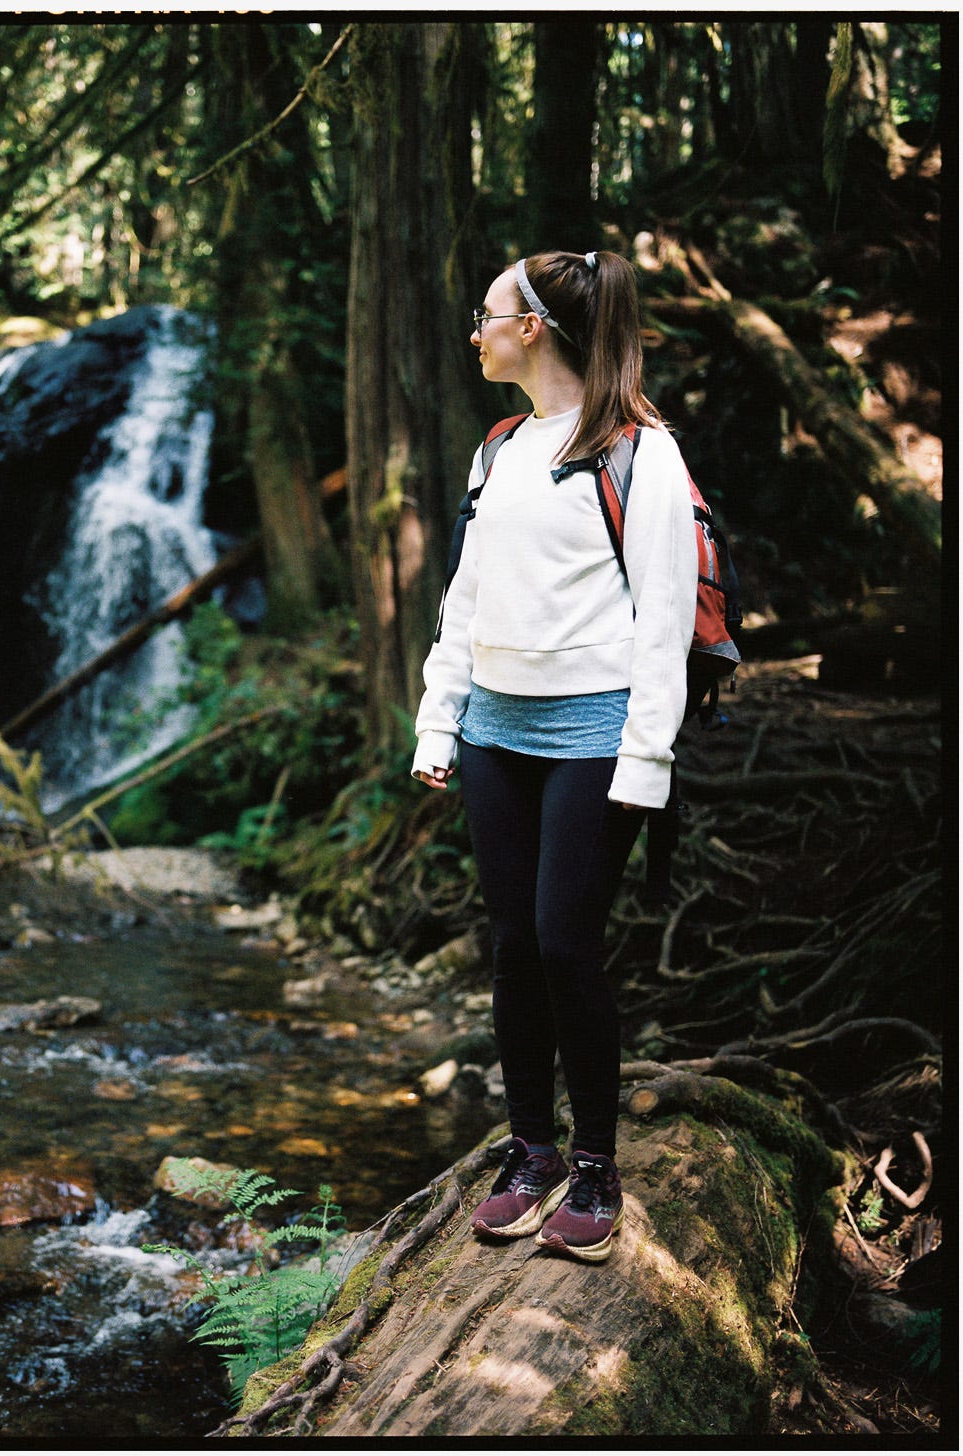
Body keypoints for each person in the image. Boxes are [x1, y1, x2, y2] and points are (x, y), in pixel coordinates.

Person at [412, 250, 695, 1264]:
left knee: (566, 942)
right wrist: (437, 723)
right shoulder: (500, 448)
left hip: (594, 736)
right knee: (513, 945)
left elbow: (662, 622)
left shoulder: (640, 453)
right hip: (495, 731)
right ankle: (529, 1149)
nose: (475, 329)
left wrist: (642, 766)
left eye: (486, 314)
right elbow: (466, 600)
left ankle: (595, 1163)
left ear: (531, 327)